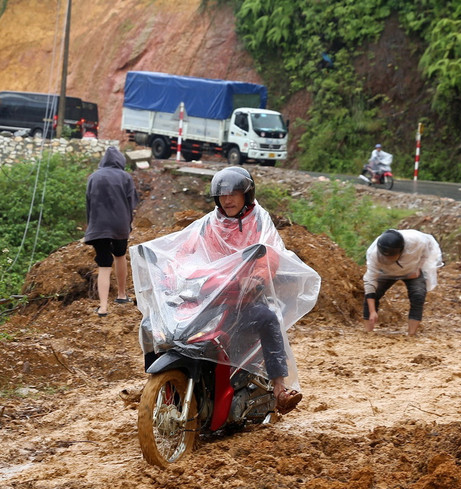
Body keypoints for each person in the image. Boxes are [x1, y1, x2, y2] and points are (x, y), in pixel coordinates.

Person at [131, 167, 321, 413]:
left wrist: (258, 278)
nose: (227, 199)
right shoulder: (210, 223)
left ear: (247, 195)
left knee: (267, 318)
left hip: (243, 297)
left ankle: (279, 389)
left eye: (233, 194)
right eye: (222, 195)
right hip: (208, 295)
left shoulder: (259, 221)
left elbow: (269, 253)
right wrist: (168, 274)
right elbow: (184, 250)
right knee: (153, 327)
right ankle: (155, 383)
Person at [83, 146, 139, 316]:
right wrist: (128, 222)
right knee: (120, 255)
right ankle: (122, 296)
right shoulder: (125, 177)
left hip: (98, 226)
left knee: (104, 264)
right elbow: (132, 202)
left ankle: (103, 307)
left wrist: (90, 227)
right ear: (120, 161)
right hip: (120, 225)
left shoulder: (93, 177)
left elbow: (89, 204)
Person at [363, 228, 443, 336]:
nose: (388, 258)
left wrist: (419, 267)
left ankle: (411, 334)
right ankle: (368, 333)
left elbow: (429, 249)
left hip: (411, 270)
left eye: (391, 257)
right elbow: (370, 282)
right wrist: (373, 312)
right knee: (373, 295)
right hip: (386, 272)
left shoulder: (416, 241)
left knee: (418, 295)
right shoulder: (373, 254)